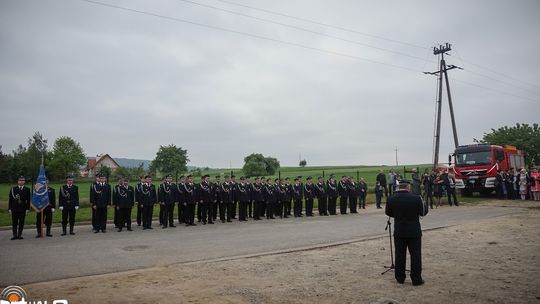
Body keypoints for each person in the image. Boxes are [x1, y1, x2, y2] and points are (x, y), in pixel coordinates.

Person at [385, 180, 429, 286]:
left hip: (399, 230)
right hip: (414, 231)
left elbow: (388, 212)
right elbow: (423, 212)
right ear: (408, 187)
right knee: (415, 255)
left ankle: (400, 278)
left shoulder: (391, 198)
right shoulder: (416, 198)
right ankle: (416, 279)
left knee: (399, 255)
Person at [8, 176, 31, 240]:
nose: (21, 181)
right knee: (14, 222)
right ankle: (15, 235)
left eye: (23, 180)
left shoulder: (27, 189)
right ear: (17, 181)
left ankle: (19, 234)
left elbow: (28, 200)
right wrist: (9, 208)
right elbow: (10, 200)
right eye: (20, 180)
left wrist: (27, 209)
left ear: (24, 181)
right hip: (14, 208)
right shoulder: (13, 189)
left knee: (21, 222)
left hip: (23, 209)